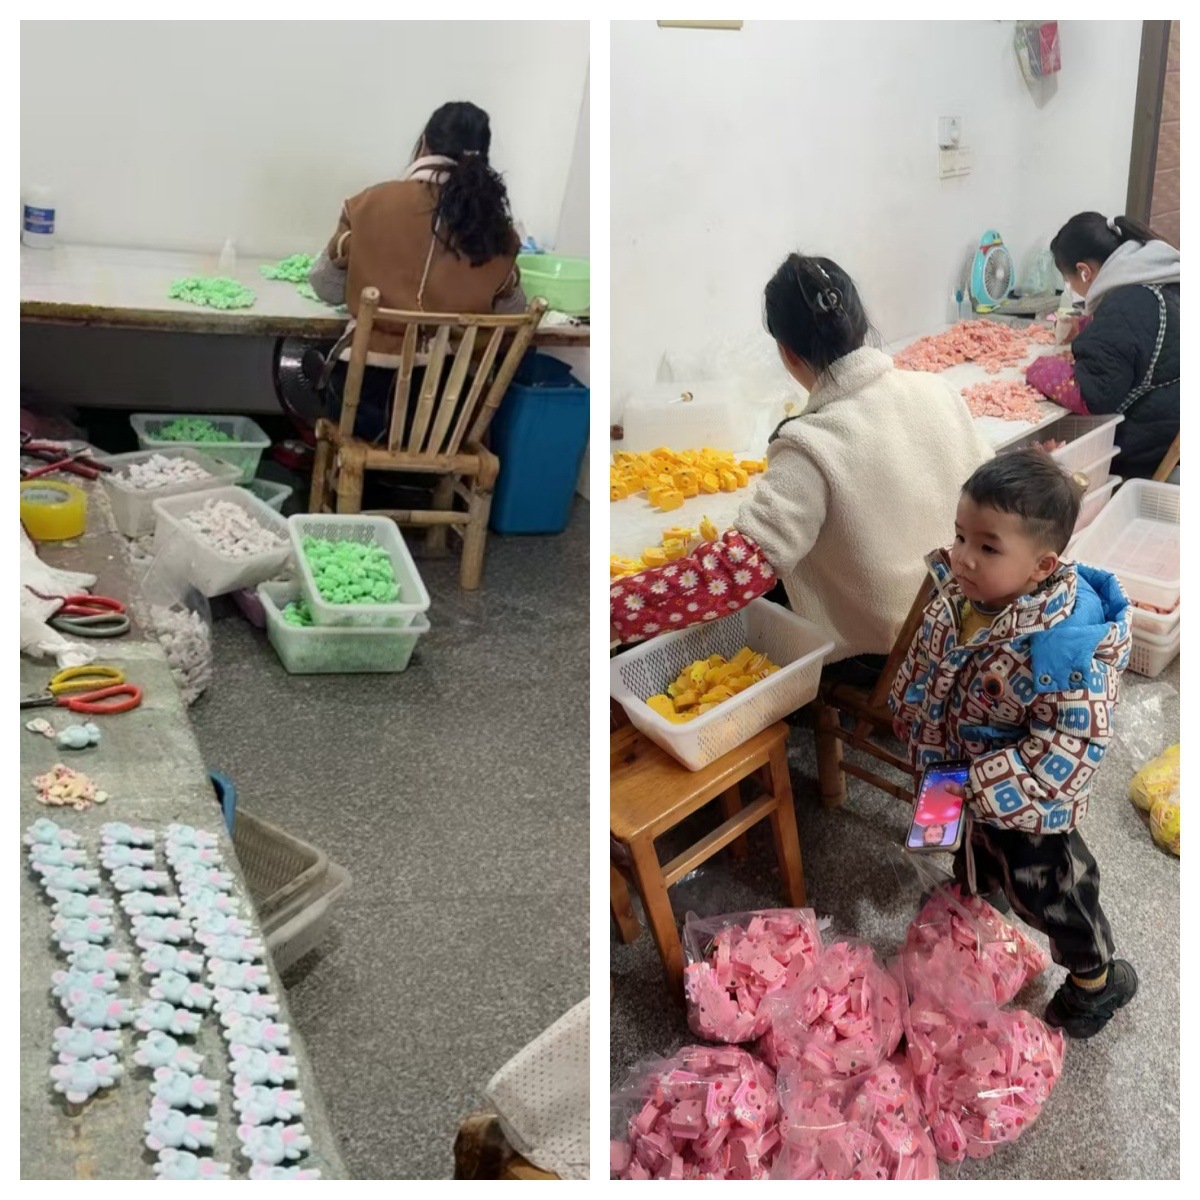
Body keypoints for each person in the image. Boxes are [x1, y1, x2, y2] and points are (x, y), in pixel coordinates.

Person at [609, 253, 993, 680]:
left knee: (753, 603)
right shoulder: (939, 390)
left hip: (887, 657)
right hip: (964, 620)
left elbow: (735, 572)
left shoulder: (812, 442)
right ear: (861, 324)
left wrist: (616, 609)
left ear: (786, 352)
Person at [889, 449, 1137, 1039]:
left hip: (1025, 803)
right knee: (962, 847)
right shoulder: (959, 598)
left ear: (1041, 565)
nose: (962, 556)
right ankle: (975, 899)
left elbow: (1071, 745)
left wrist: (983, 785)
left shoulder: (1066, 646)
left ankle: (1096, 979)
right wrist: (907, 708)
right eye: (960, 535)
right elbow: (925, 663)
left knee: (1050, 891)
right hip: (949, 768)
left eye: (988, 546)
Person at [305, 100, 524, 441]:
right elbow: (513, 313)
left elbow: (326, 287)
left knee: (313, 364)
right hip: (447, 417)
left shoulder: (368, 204)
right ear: (483, 155)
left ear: (424, 144)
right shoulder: (498, 232)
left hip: (365, 407)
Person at [1026, 213, 1179, 480]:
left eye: (1069, 281)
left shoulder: (1123, 309)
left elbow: (1095, 395)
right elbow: (1143, 331)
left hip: (1146, 448)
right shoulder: (1163, 275)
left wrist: (1040, 369)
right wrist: (1093, 328)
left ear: (1084, 271)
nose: (1072, 288)